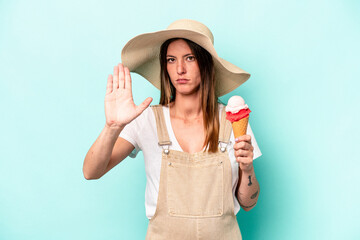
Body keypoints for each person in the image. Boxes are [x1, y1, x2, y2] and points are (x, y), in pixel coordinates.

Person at [83, 19, 262, 240]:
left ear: (206, 64)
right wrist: (112, 126)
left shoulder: (232, 121)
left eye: (189, 58)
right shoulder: (147, 119)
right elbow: (91, 172)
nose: (179, 69)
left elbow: (248, 203)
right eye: (171, 60)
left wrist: (247, 168)